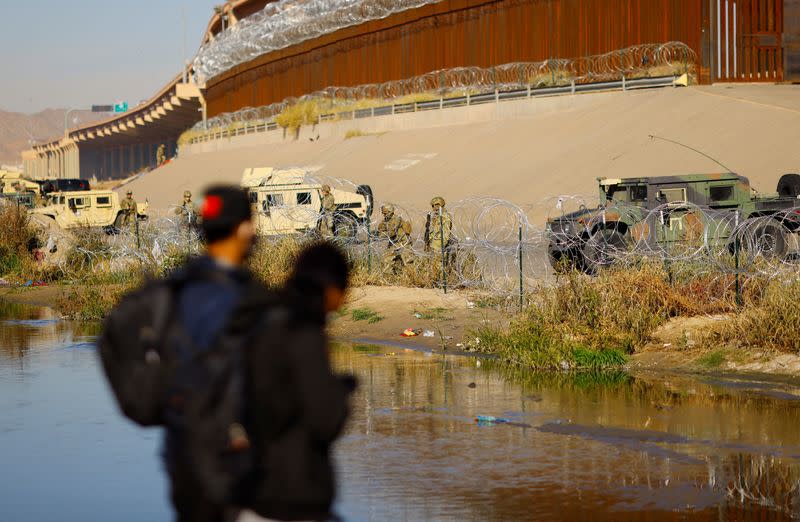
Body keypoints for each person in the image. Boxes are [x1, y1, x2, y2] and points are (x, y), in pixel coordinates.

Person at [163, 186, 268, 522]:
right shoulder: (245, 299)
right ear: (244, 229)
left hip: (181, 457)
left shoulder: (175, 289)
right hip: (233, 457)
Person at [244, 241, 355, 522]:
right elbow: (325, 419)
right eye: (343, 291)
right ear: (330, 288)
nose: (341, 302)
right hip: (294, 498)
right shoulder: (304, 333)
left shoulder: (263, 322)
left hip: (252, 493)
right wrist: (341, 392)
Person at [376, 204, 413, 274]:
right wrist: (375, 234)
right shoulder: (385, 221)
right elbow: (380, 230)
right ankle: (390, 277)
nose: (384, 215)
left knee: (408, 261)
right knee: (386, 259)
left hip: (403, 242)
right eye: (383, 213)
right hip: (393, 243)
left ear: (390, 212)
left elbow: (392, 233)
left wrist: (380, 236)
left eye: (385, 213)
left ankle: (410, 278)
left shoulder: (397, 219)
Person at [424, 196, 454, 269]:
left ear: (442, 205)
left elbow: (445, 234)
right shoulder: (434, 217)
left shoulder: (445, 217)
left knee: (439, 268)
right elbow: (431, 231)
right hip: (432, 246)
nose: (435, 208)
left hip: (438, 247)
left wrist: (437, 246)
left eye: (437, 205)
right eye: (433, 206)